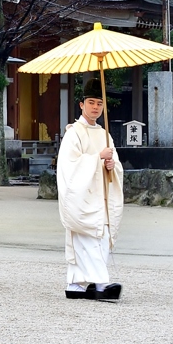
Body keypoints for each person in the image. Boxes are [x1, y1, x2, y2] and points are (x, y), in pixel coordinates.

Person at [57, 78, 124, 300]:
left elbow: (114, 163)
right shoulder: (73, 133)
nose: (95, 107)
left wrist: (111, 166)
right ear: (81, 104)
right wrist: (97, 159)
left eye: (99, 103)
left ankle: (75, 285)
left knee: (100, 238)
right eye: (91, 102)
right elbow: (69, 166)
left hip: (101, 197)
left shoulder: (105, 134)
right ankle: (102, 285)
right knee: (88, 239)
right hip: (83, 199)